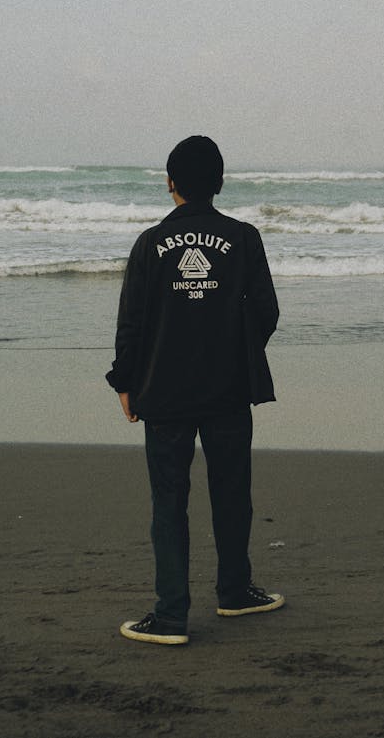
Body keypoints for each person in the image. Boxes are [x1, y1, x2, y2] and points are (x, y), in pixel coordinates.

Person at [106, 135, 284, 645]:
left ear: (171, 184)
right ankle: (233, 592)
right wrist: (235, 347)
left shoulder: (148, 244)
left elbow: (132, 322)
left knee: (169, 500)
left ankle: (170, 616)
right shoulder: (244, 238)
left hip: (163, 389)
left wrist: (125, 381)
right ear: (220, 184)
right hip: (228, 387)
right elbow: (266, 311)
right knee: (232, 492)